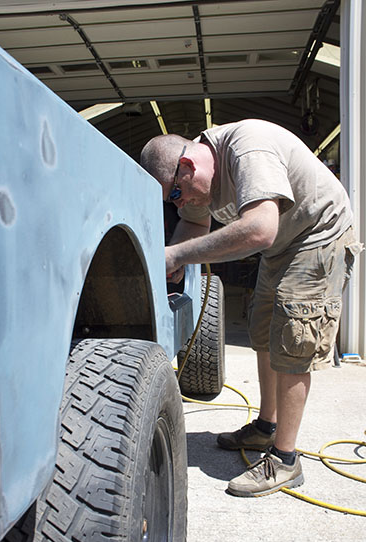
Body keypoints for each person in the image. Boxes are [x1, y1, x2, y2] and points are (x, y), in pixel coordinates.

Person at [140, 119, 363, 497]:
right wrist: (177, 261)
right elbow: (193, 227)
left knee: (293, 342)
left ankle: (286, 460)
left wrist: (176, 253)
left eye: (176, 193)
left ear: (189, 167)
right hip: (280, 245)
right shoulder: (197, 180)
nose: (179, 203)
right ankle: (266, 426)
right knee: (263, 331)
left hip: (318, 235)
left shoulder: (248, 148)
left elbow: (260, 228)